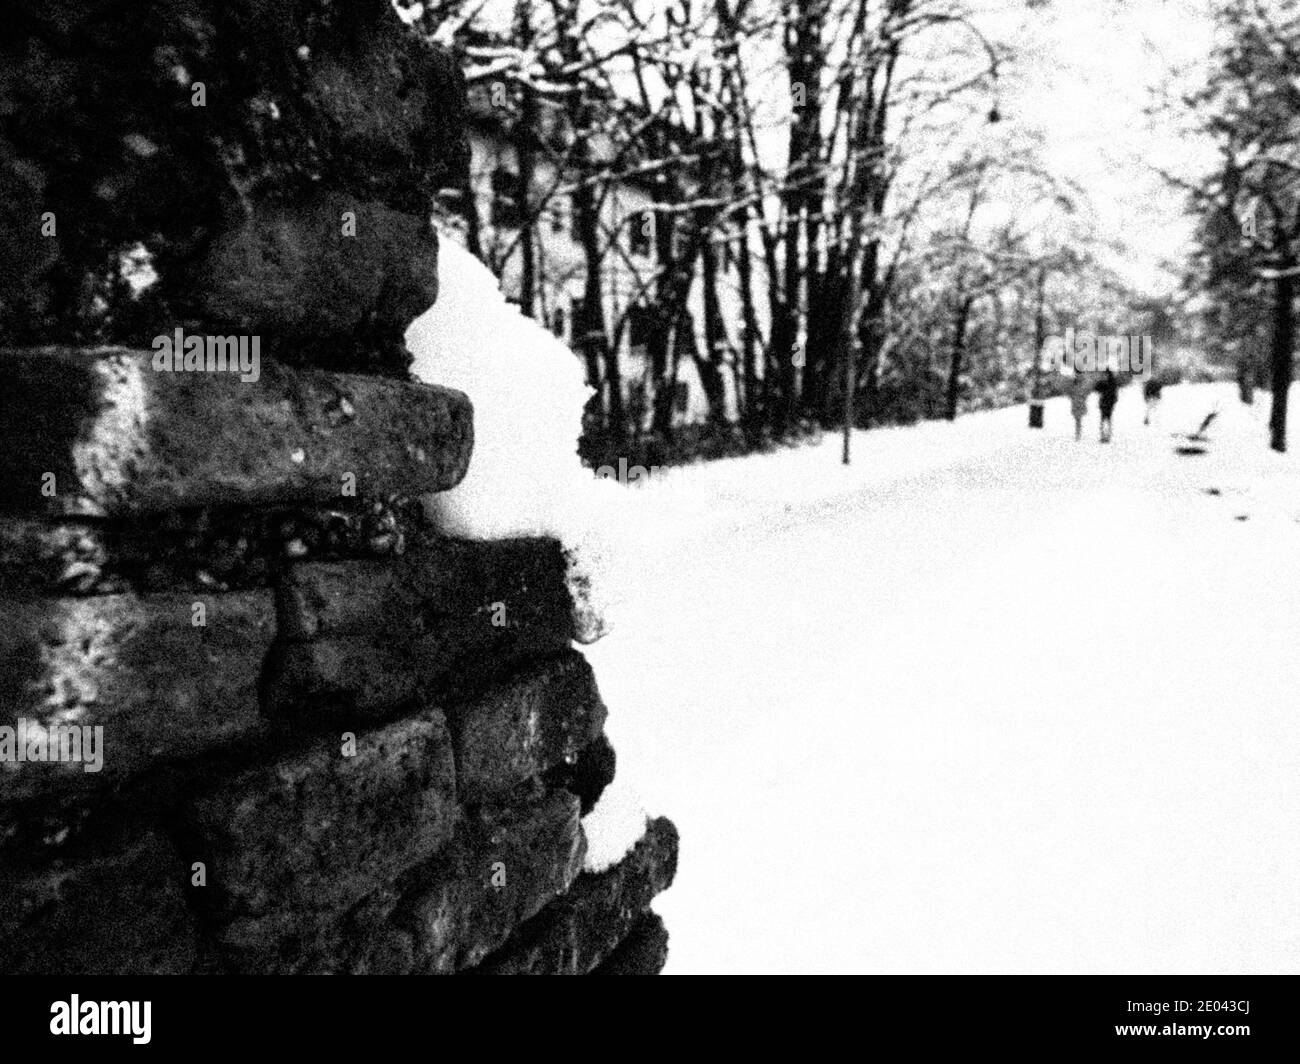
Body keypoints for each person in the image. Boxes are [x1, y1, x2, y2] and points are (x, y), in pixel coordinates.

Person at [1095, 367, 1119, 443]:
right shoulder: (1110, 382)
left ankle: (1106, 436)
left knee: (1106, 420)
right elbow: (1097, 388)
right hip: (1104, 403)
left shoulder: (1110, 383)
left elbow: (1115, 394)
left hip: (1108, 403)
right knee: (1104, 420)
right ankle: (1104, 436)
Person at [1069, 372, 1090, 441]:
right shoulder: (1074, 385)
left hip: (1079, 403)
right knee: (1077, 419)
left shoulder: (1081, 385)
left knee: (1078, 420)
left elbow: (1085, 393)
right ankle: (1078, 433)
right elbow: (1071, 394)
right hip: (1076, 403)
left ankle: (1078, 434)